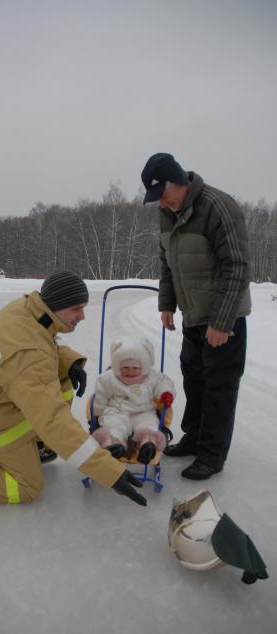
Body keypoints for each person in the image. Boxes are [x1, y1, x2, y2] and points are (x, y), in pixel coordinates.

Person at [0, 271, 147, 506]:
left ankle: (36, 445)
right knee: (26, 487)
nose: (82, 316)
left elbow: (39, 343)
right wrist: (109, 472)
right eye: (76, 308)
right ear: (57, 305)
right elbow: (52, 420)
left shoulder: (27, 309)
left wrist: (68, 362)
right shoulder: (29, 356)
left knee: (62, 380)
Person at [141, 153, 251, 480]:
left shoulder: (218, 207)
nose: (161, 203)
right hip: (192, 314)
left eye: (162, 195)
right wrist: (166, 304)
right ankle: (194, 437)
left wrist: (221, 322)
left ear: (177, 182)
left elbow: (237, 266)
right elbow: (167, 264)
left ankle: (212, 454)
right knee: (195, 379)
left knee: (219, 386)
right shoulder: (168, 212)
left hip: (222, 317)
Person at [91, 336, 175, 464]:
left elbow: (164, 383)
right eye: (125, 368)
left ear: (144, 366)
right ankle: (113, 445)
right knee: (113, 425)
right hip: (117, 411)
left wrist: (166, 393)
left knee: (149, 424)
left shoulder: (152, 377)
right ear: (117, 366)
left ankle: (147, 444)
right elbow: (101, 393)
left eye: (135, 368)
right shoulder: (109, 378)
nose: (130, 372)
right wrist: (98, 411)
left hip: (144, 411)